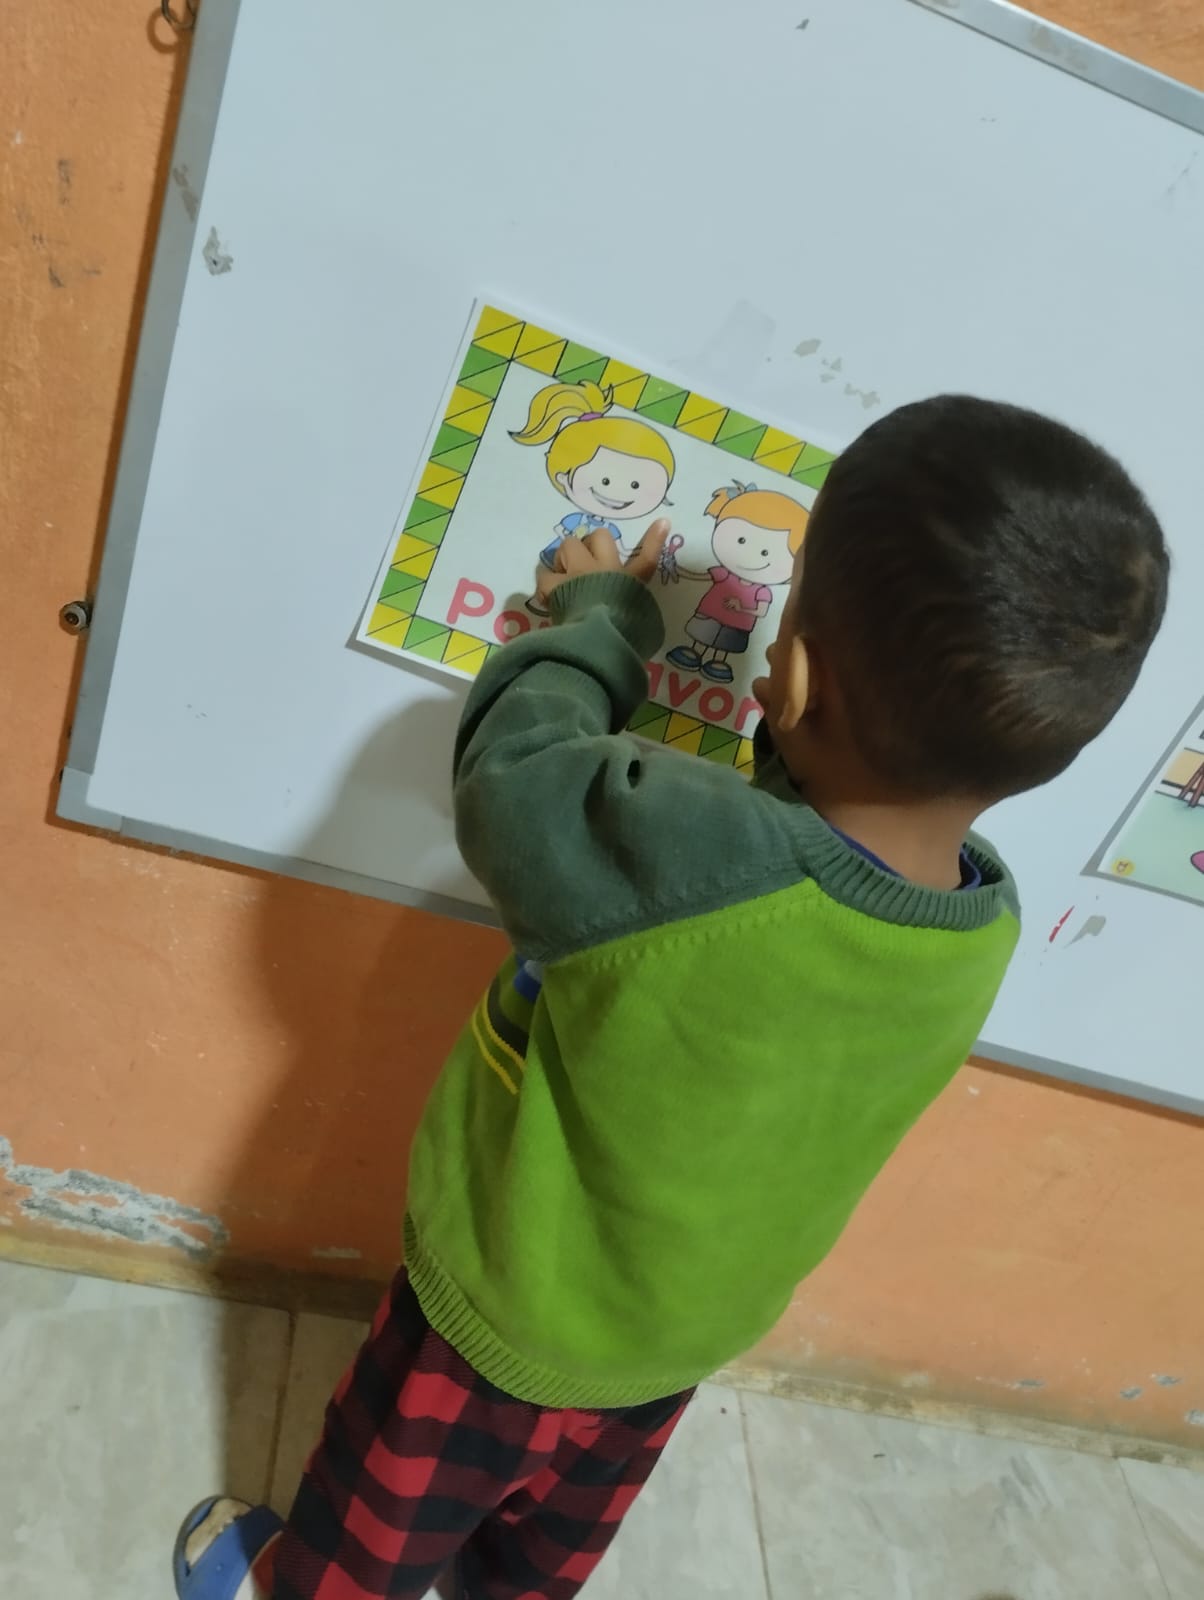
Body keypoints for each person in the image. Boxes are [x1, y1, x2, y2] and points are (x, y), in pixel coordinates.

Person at [173, 396, 1168, 1600]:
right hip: (678, 1337)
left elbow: (514, 777)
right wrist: (795, 734)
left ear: (794, 675)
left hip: (502, 1311)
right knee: (535, 1554)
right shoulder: (980, 922)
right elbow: (806, 856)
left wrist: (600, 620)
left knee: (372, 1531)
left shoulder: (689, 856)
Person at [508, 378, 675, 614]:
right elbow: (562, 532)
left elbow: (619, 548)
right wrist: (602, 602)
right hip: (558, 559)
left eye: (635, 485)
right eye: (605, 481)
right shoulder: (578, 521)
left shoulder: (610, 532)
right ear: (563, 477)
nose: (617, 493)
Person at [663, 481, 809, 682]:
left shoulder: (762, 592)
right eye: (742, 540)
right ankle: (693, 653)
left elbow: (761, 611)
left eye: (765, 552)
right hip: (709, 615)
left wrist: (741, 607)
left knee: (724, 646)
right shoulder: (724, 574)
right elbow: (698, 575)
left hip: (737, 626)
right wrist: (673, 566)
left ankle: (718, 663)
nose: (752, 555)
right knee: (701, 636)